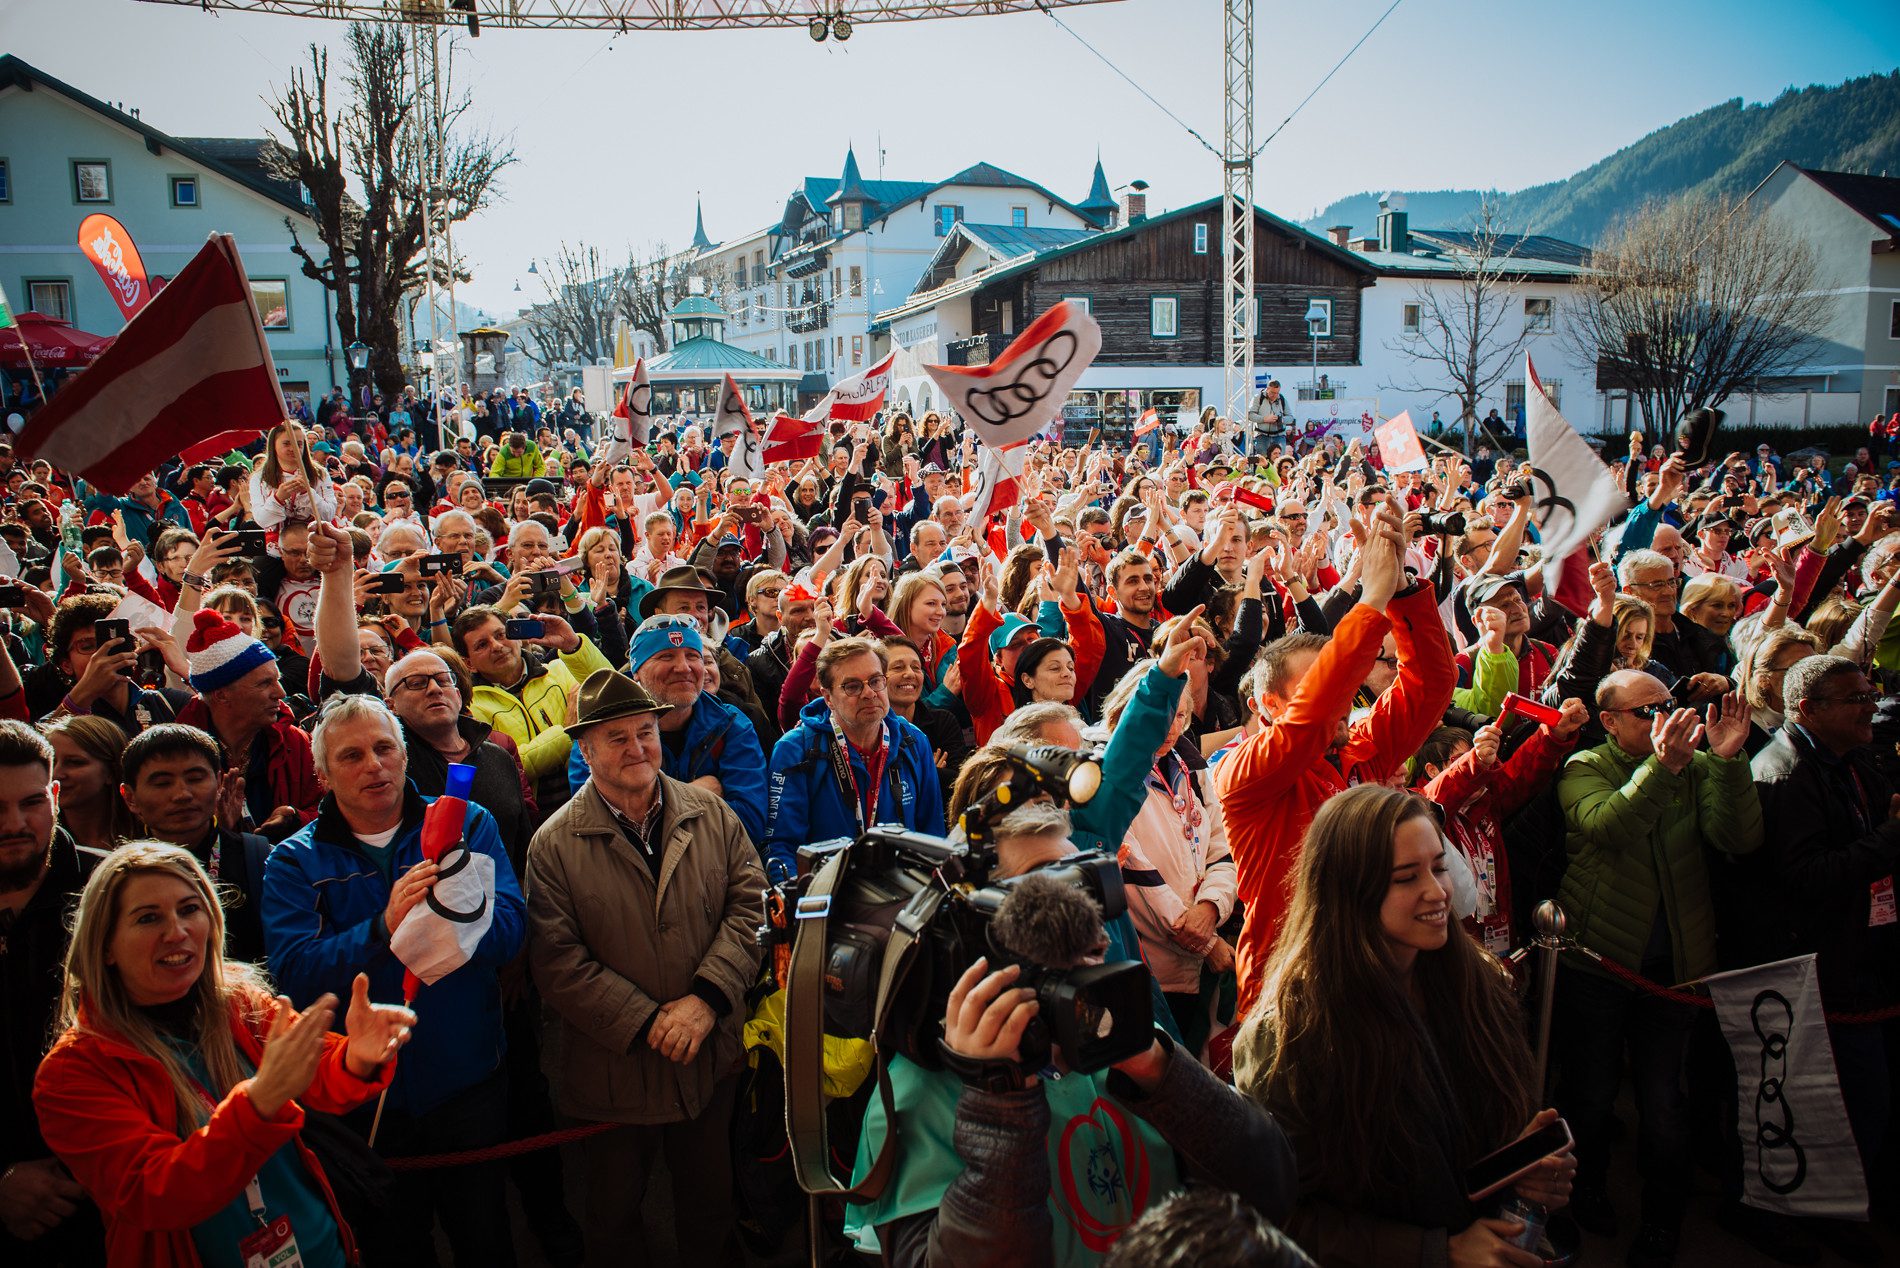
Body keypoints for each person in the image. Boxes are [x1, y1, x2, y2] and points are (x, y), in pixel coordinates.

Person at [842, 803, 1299, 1267]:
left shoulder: (1124, 1037)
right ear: (977, 931)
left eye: (1083, 883)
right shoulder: (917, 1095)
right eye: (1045, 890)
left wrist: (1163, 1073)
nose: (1081, 913)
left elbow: (1272, 1190)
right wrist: (998, 1112)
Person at [32, 840, 414, 1268]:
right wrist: (261, 1101)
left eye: (189, 909)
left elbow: (320, 1073)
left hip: (323, 1251)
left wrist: (357, 1056)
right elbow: (155, 1192)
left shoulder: (236, 1001)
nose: (177, 931)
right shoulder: (72, 1072)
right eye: (148, 918)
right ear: (104, 946)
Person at [1235, 785, 1573, 1267]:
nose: (1437, 892)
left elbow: (1462, 1150)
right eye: (1405, 877)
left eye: (1438, 867)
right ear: (1351, 891)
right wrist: (1439, 1251)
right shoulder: (1291, 1037)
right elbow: (1279, 1218)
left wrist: (1519, 1169)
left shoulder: (1475, 982)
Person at [261, 694, 526, 1268]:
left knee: (485, 1238)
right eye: (351, 755)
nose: (374, 766)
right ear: (323, 775)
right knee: (394, 1247)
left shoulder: (465, 822)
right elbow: (297, 976)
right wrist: (384, 926)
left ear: (406, 756)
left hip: (467, 1079)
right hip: (362, 1100)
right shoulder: (293, 862)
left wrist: (457, 912)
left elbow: (510, 931)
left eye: (385, 748)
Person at [524, 669, 764, 1268]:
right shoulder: (553, 844)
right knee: (614, 1217)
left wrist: (706, 1000)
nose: (637, 749)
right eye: (617, 738)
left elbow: (751, 904)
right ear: (584, 750)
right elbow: (557, 960)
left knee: (710, 1206)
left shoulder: (710, 814)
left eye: (646, 732)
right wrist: (648, 1021)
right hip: (615, 1071)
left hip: (707, 1059)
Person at [1217, 506, 1457, 1016]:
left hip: (1381, 978)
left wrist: (1402, 591)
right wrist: (1368, 598)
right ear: (1269, 706)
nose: (1343, 698)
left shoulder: (1362, 750)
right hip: (1295, 992)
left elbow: (1430, 684)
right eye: (1326, 683)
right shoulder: (1244, 772)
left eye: (1345, 684)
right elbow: (1314, 715)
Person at [1554, 671, 1760, 1265]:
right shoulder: (1583, 768)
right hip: (1600, 961)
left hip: (1676, 967)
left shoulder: (1695, 766)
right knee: (1591, 1096)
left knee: (1665, 1103)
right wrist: (1663, 769)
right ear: (1610, 722)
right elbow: (1609, 827)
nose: (1663, 717)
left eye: (1668, 703)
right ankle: (1585, 1191)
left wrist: (1724, 762)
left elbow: (1740, 839)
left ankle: (1662, 1219)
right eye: (1645, 711)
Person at [1751, 655, 1897, 1231]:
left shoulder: (1852, 761)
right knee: (1848, 1106)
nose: (1871, 706)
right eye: (1856, 699)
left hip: (1867, 960)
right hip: (1820, 973)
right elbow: (1806, 879)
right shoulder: (1786, 772)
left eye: (1871, 693)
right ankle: (1830, 1218)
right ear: (1810, 710)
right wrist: (1889, 841)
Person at [0, 721, 106, 1268]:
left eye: (32, 802)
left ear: (56, 796)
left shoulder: (117, 893)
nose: (15, 824)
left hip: (117, 1201)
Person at [569, 616, 769, 846]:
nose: (683, 668)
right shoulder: (599, 734)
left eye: (693, 656)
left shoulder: (732, 724)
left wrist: (650, 813)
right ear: (637, 671)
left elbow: (749, 825)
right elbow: (601, 830)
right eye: (666, 656)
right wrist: (696, 794)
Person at [763, 636, 945, 880]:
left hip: (901, 894)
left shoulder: (913, 740)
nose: (869, 693)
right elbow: (781, 848)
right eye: (852, 686)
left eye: (875, 681)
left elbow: (932, 835)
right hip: (828, 897)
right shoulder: (795, 749)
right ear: (828, 698)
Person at [117, 724, 273, 965]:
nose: (182, 794)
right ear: (130, 797)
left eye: (195, 778)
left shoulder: (261, 860)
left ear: (219, 782)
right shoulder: (118, 877)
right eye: (162, 783)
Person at [453, 604, 611, 812]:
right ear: (469, 664)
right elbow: (511, 767)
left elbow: (612, 691)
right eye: (482, 645)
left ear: (517, 636)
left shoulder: (559, 670)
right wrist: (569, 732)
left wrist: (573, 644)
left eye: (501, 634)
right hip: (535, 819)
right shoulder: (470, 708)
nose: (496, 646)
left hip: (598, 799)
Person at [44, 716, 136, 852]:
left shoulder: (148, 833)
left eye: (74, 762)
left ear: (111, 771)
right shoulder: (39, 838)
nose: (56, 774)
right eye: (50, 762)